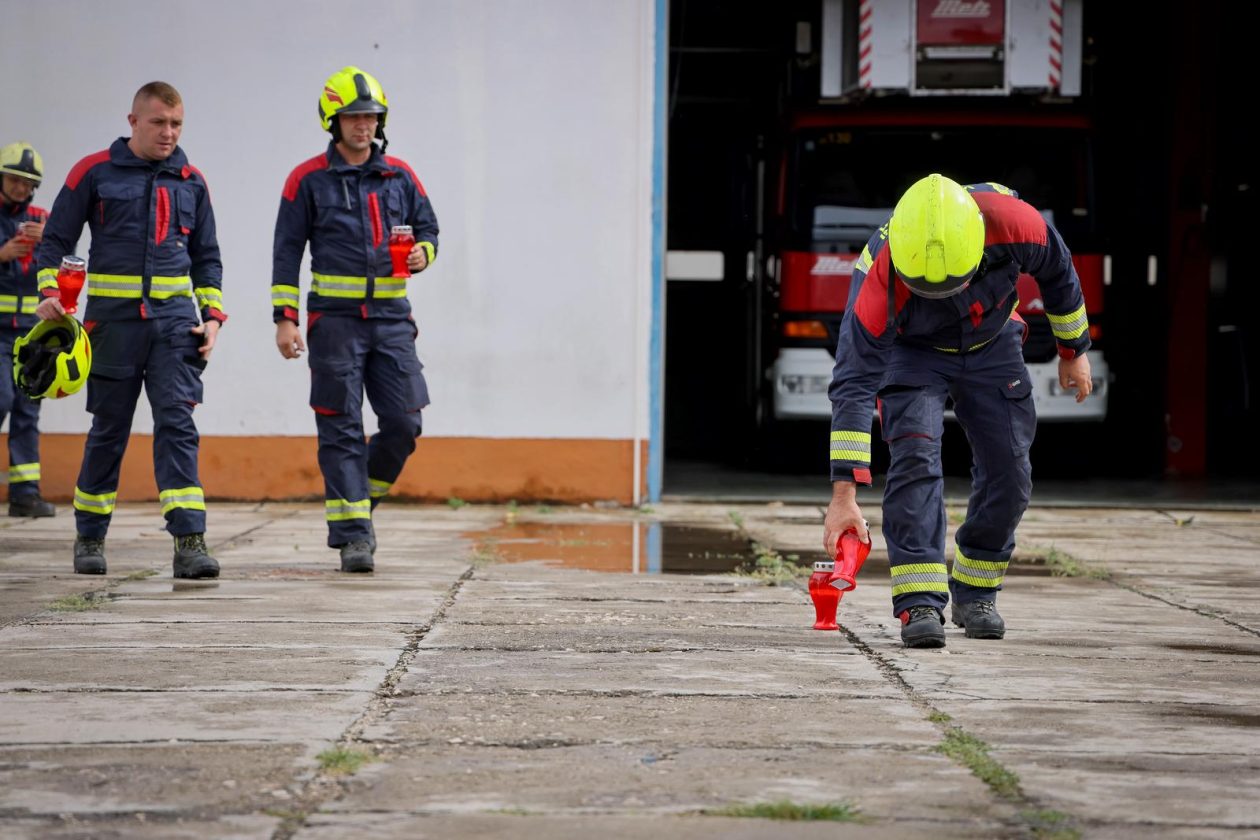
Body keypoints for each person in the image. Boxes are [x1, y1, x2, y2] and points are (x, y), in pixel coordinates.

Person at [822, 174, 1093, 648]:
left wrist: (1074, 349)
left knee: (1010, 470)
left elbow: (1058, 271)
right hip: (914, 354)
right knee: (915, 462)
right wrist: (844, 494)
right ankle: (919, 602)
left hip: (992, 344)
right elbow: (854, 385)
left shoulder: (1014, 222)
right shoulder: (879, 273)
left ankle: (976, 592)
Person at [35, 81, 226, 578]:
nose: (169, 133)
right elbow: (55, 238)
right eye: (159, 122)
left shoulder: (191, 180)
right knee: (109, 430)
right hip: (113, 326)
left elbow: (207, 258)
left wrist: (213, 318)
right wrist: (49, 291)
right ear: (133, 121)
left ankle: (190, 541)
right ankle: (90, 537)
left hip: (175, 327)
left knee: (178, 428)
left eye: (177, 123)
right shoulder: (94, 172)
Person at [272, 66, 439, 574]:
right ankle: (353, 537)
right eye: (352, 117)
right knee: (340, 426)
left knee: (404, 423)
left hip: (391, 320)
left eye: (369, 116)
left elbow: (430, 228)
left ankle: (358, 503)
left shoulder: (401, 176)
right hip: (335, 323)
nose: (362, 125)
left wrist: (424, 254)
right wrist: (285, 319)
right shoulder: (307, 179)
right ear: (333, 120)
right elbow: (286, 253)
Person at [0, 142, 56, 517]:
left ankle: (25, 494)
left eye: (27, 182)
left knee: (27, 409)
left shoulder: (42, 219)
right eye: (15, 179)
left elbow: (67, 265)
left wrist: (49, 238)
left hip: (32, 335)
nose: (21, 187)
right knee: (2, 397)